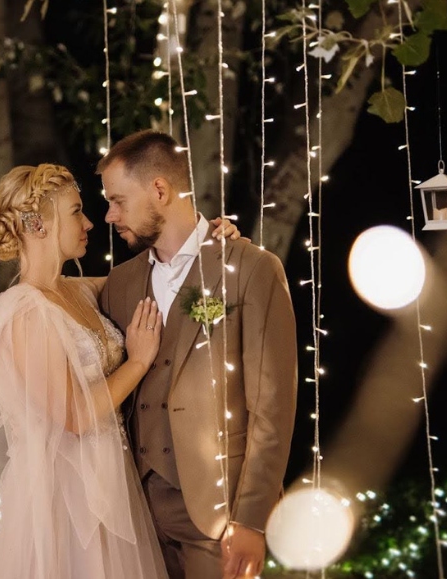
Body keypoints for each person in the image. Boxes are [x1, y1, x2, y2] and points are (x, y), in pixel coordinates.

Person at [0, 163, 241, 578]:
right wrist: (138, 360)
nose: (89, 222)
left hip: (111, 481)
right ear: (37, 223)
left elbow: (156, 278)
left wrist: (207, 244)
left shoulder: (78, 290)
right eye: (75, 211)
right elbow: (75, 416)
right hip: (61, 498)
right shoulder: (22, 313)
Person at [96, 129, 299, 579]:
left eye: (118, 200)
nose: (109, 215)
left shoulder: (250, 270)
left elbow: (273, 407)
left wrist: (250, 518)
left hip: (219, 514)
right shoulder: (120, 284)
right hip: (136, 515)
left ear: (160, 190)